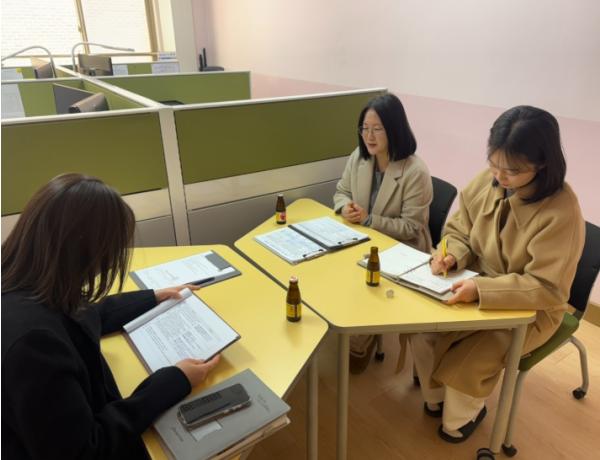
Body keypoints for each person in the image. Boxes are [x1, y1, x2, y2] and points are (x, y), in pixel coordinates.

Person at [2, 173, 220, 459]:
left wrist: (151, 297)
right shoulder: (33, 346)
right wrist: (174, 382)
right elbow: (86, 451)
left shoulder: (25, 282)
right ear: (83, 252)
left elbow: (82, 313)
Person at [411, 105, 585, 443]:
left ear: (542, 164)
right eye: (494, 164)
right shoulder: (487, 180)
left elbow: (546, 287)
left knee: (472, 357)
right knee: (423, 329)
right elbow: (459, 230)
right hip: (471, 281)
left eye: (513, 171)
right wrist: (452, 255)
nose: (500, 177)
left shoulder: (561, 210)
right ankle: (436, 399)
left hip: (531, 308)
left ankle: (460, 420)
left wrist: (481, 290)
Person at [333, 93, 433, 373]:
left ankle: (360, 339)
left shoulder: (415, 171)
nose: (369, 136)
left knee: (361, 287)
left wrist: (369, 220)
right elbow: (341, 191)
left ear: (394, 129)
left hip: (402, 248)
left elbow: (411, 227)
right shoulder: (359, 157)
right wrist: (345, 208)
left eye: (377, 129)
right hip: (362, 240)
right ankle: (354, 330)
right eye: (364, 128)